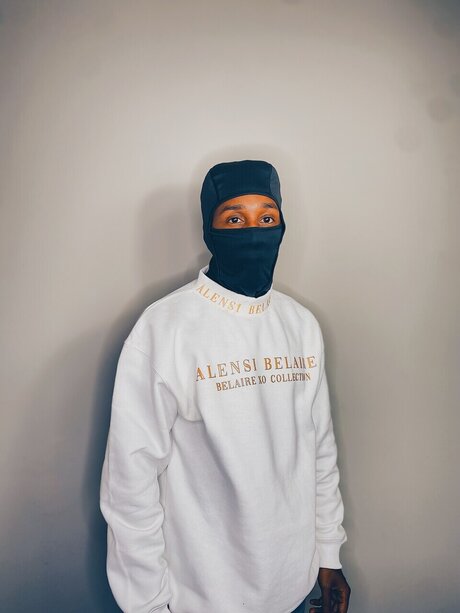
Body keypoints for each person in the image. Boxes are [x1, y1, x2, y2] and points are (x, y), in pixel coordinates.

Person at [99, 160, 351, 613]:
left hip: (296, 586)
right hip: (204, 597)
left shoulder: (300, 324)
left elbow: (320, 451)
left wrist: (329, 553)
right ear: (209, 229)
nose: (254, 232)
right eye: (235, 219)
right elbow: (129, 485)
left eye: (267, 218)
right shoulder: (164, 329)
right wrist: (147, 605)